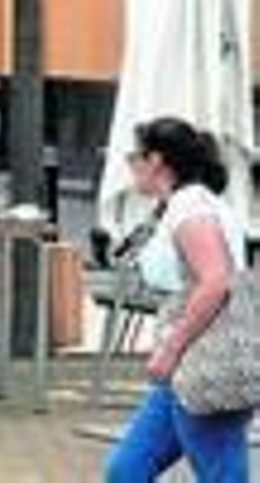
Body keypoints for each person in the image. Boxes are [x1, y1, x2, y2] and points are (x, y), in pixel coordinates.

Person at [104, 116, 251, 482]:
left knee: (222, 473)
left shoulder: (191, 208)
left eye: (133, 157)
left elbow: (215, 281)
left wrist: (171, 347)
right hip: (189, 369)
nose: (130, 166)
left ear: (156, 160)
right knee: (128, 469)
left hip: (207, 364)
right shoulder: (189, 204)